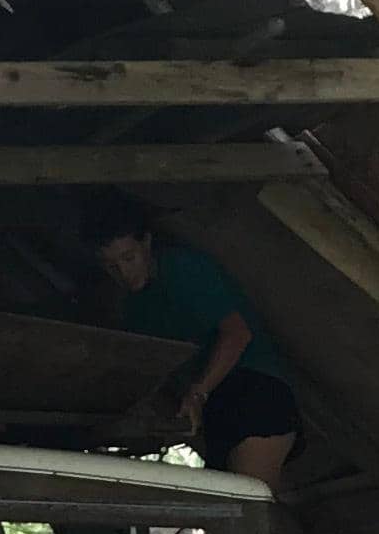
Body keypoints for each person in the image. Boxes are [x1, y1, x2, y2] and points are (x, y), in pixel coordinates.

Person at [87, 200, 302, 485]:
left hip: (255, 394)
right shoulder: (133, 308)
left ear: (147, 243)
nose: (123, 273)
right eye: (111, 266)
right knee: (234, 515)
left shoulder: (182, 269)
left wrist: (198, 393)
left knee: (247, 509)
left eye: (129, 258)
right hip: (217, 409)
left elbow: (237, 334)